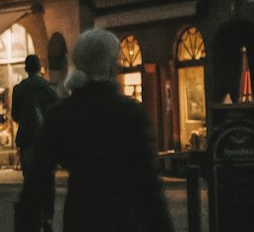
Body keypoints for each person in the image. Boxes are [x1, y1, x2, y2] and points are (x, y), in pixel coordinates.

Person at [17, 29, 173, 232]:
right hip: (125, 219)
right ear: (109, 66)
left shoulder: (62, 114)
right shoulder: (130, 113)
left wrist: (27, 221)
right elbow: (149, 184)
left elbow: (37, 179)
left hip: (81, 217)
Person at [11, 53, 59, 226]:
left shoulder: (19, 89)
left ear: (25, 69)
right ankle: (48, 214)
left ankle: (33, 212)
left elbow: (15, 115)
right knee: (48, 177)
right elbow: (55, 113)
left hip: (27, 139)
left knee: (30, 176)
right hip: (45, 140)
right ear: (39, 68)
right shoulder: (49, 89)